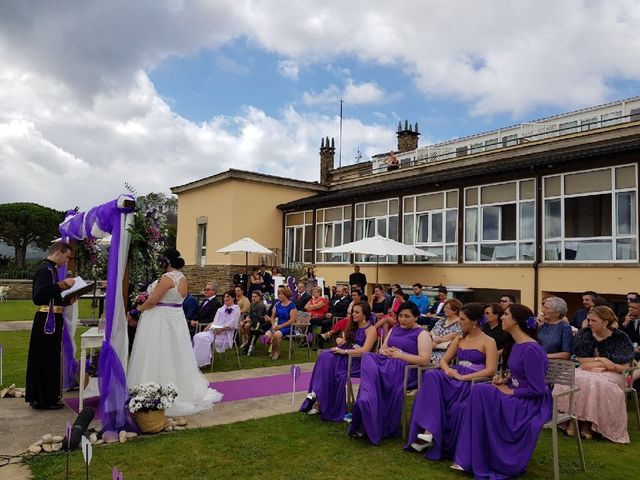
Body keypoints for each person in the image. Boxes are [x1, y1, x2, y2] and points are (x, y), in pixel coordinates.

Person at [452, 304, 552, 478]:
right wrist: (505, 379)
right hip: (515, 391)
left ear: (516, 321)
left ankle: (475, 457)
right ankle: (469, 456)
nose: (502, 317)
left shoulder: (531, 349)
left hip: (529, 402)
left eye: (506, 314)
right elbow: (519, 374)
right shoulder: (516, 344)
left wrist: (512, 392)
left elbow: (538, 388)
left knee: (480, 392)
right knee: (480, 390)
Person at [127, 248, 222, 416]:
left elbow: (153, 300)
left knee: (158, 352)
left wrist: (138, 308)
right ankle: (182, 388)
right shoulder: (183, 278)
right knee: (176, 353)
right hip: (176, 319)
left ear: (167, 262)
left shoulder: (167, 278)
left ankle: (155, 386)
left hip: (161, 320)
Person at [407, 303, 498, 459]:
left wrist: (464, 377)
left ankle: (431, 432)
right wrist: (448, 369)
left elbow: (491, 370)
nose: (459, 322)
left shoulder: (489, 341)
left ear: (474, 321)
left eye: (462, 319)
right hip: (455, 375)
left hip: (472, 380)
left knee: (446, 393)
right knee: (431, 376)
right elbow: (444, 360)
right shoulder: (459, 339)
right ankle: (429, 430)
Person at [347, 302, 432, 445]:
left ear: (416, 317)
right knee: (368, 357)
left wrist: (400, 355)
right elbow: (382, 348)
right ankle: (367, 403)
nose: (403, 319)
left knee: (373, 379)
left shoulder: (422, 334)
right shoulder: (395, 329)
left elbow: (424, 360)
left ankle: (367, 410)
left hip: (406, 369)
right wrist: (385, 351)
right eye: (400, 316)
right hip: (387, 363)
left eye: (407, 316)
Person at [558, 305, 635, 443]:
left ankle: (590, 425)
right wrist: (602, 360)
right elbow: (582, 359)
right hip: (589, 369)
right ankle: (573, 420)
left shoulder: (620, 338)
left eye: (594, 321)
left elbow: (623, 367)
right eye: (589, 320)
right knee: (574, 377)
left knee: (596, 383)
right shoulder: (585, 334)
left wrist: (601, 364)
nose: (589, 323)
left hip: (614, 373)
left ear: (605, 322)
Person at [300, 301, 377, 421]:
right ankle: (317, 393)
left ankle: (318, 397)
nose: (353, 315)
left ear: (365, 315)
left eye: (357, 313)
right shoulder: (353, 326)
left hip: (357, 361)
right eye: (353, 312)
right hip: (346, 353)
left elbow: (365, 351)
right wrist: (341, 343)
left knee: (331, 366)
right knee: (324, 356)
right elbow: (348, 343)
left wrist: (344, 352)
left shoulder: (371, 329)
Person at [25, 242, 76, 410]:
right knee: (44, 357)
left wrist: (68, 299)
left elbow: (52, 296)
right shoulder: (44, 270)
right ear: (58, 253)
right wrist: (61, 285)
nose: (66, 262)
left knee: (52, 357)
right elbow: (39, 296)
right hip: (46, 320)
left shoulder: (51, 270)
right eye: (66, 257)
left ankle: (48, 395)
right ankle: (42, 399)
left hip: (53, 318)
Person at [192, 290, 242, 366]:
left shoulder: (236, 308)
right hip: (215, 331)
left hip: (225, 334)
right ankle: (197, 360)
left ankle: (203, 363)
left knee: (204, 339)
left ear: (233, 298)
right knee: (197, 336)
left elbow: (233, 323)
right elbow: (215, 321)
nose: (225, 299)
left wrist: (222, 329)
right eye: (224, 297)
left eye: (228, 297)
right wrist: (210, 326)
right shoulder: (220, 309)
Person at [263, 286, 297, 360]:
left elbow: (292, 320)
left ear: (286, 294)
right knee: (266, 336)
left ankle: (276, 351)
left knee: (277, 334)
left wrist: (280, 326)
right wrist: (273, 325)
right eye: (278, 294)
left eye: (281, 294)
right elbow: (272, 317)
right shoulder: (277, 304)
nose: (279, 296)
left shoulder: (292, 306)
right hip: (277, 325)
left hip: (287, 326)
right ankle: (273, 348)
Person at [430, 298, 463, 364]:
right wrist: (434, 339)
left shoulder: (460, 323)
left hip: (446, 353)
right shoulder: (442, 320)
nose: (444, 309)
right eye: (444, 307)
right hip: (432, 348)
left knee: (425, 359)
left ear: (455, 310)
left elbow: (455, 335)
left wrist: (438, 340)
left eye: (447, 308)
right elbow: (432, 331)